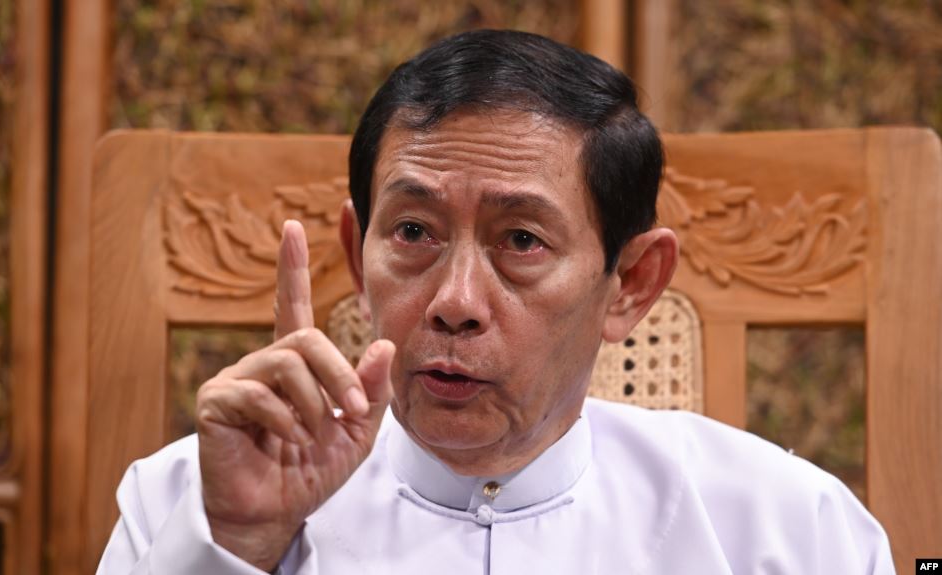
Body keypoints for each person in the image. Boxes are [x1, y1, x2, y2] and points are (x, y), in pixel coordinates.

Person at [96, 30, 894, 574]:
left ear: (630, 284)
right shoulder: (193, 501)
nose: (455, 302)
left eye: (521, 241)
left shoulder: (787, 529)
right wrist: (236, 546)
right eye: (413, 231)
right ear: (357, 254)